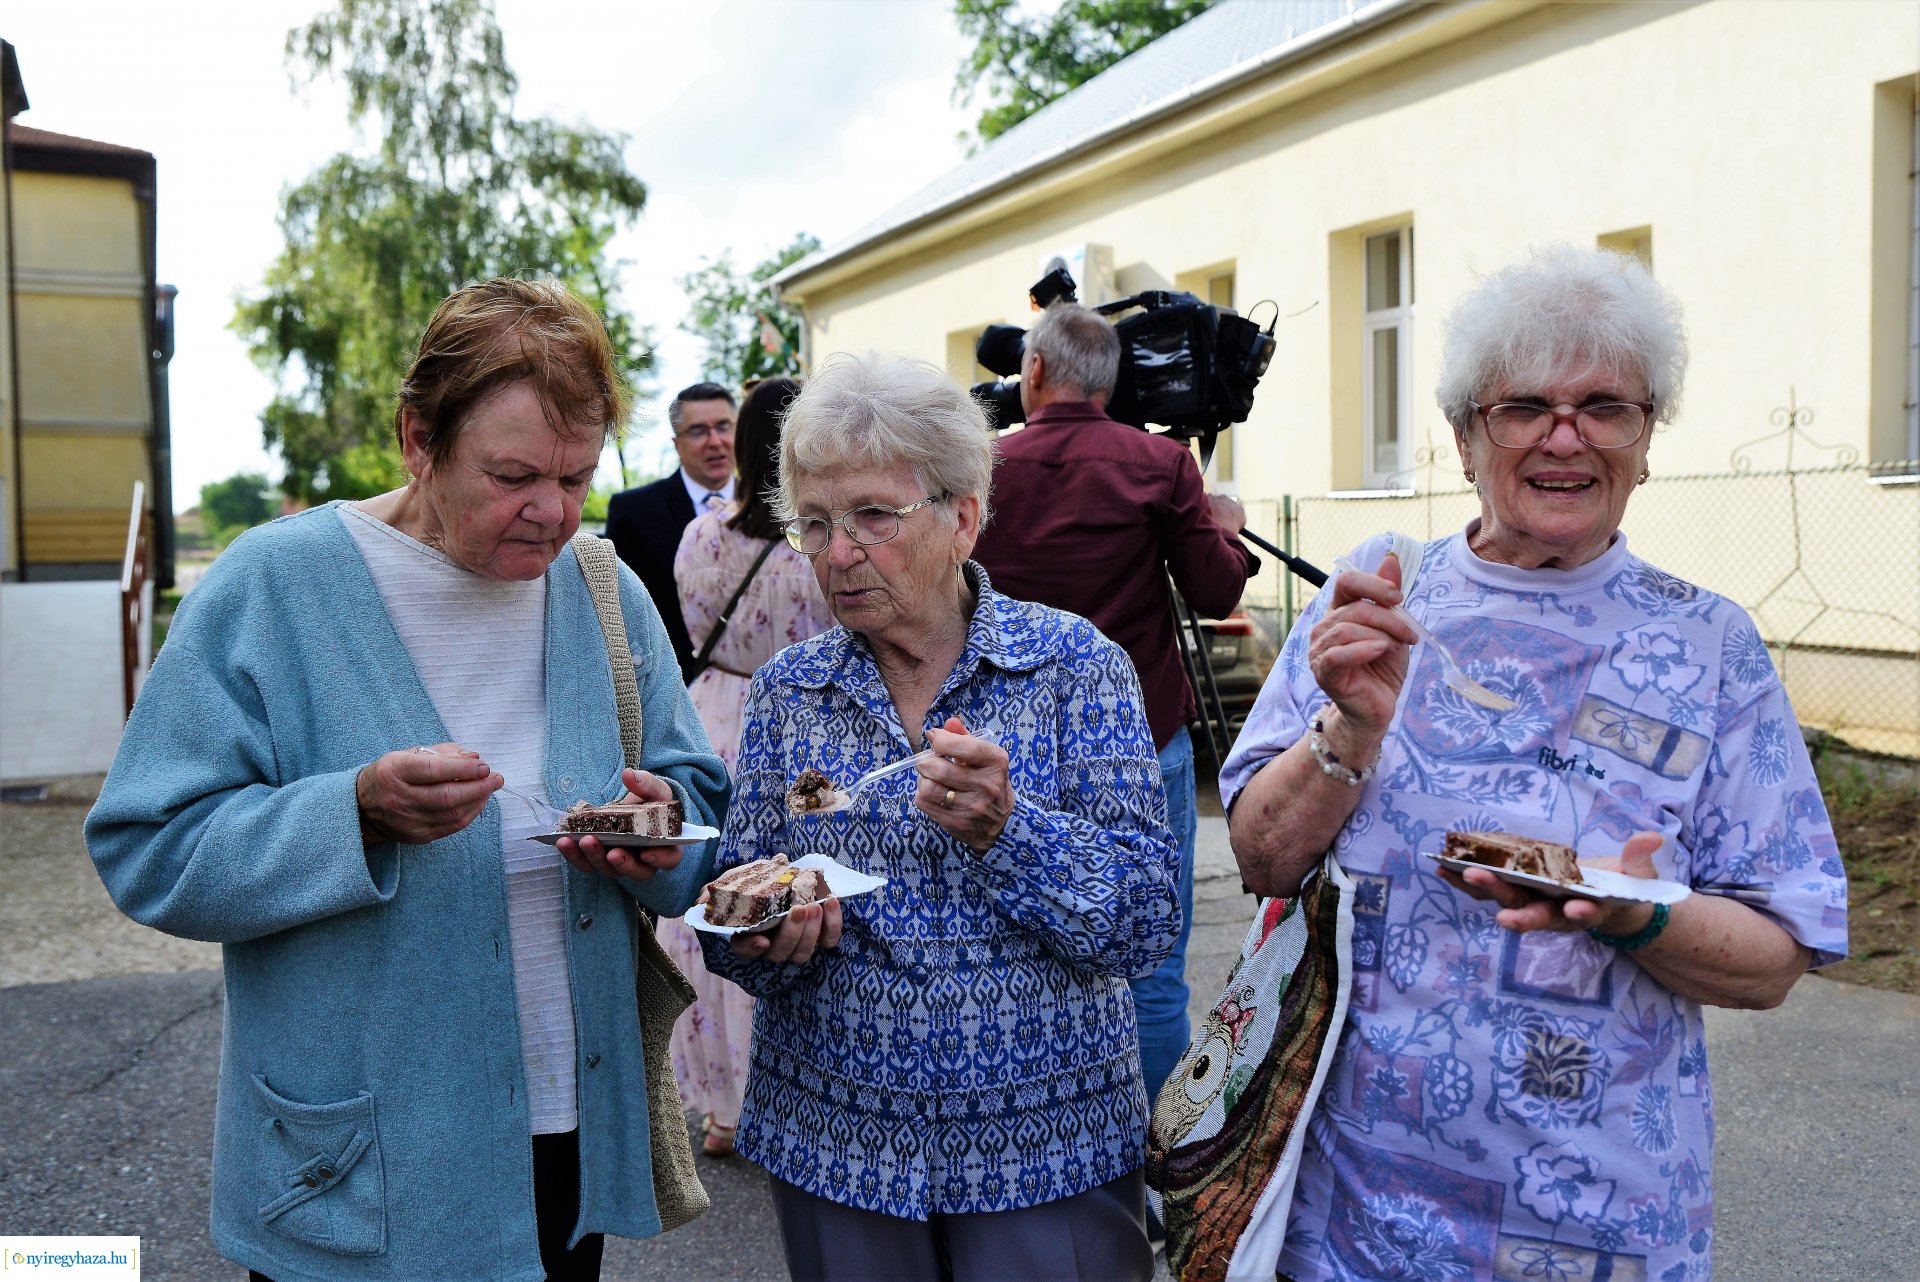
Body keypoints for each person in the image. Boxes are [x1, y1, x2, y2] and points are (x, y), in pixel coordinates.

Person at [1221, 246, 1848, 1282]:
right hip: (1353, 1222)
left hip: (1597, 1224)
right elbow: (1260, 857)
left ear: (1646, 441)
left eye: (1607, 406)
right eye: (1525, 407)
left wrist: (1640, 912)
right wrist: (1351, 733)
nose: (1567, 437)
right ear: (1465, 437)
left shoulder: (1710, 645)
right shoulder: (1379, 593)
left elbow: (1781, 950)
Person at [84, 278, 731, 1282]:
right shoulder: (274, 584)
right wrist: (352, 816)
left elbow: (696, 799)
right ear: (416, 437)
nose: (553, 512)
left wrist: (664, 826)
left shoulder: (602, 586)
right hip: (359, 1159)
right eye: (514, 473)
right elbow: (148, 846)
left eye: (579, 475)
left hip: (564, 1130)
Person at [700, 352, 1180, 1282]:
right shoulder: (789, 693)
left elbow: (1145, 924)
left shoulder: (1073, 668)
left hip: (1044, 1146)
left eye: (873, 516)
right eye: (816, 525)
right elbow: (734, 918)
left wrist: (1011, 830)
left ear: (962, 518)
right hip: (839, 1143)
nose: (839, 554)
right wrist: (761, 935)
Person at [972, 300, 1259, 1109]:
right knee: (1152, 964)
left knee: (1014, 947)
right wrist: (1224, 529)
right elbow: (1213, 590)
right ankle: (1157, 1164)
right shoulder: (1160, 464)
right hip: (1142, 737)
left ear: (1032, 373)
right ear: (1114, 379)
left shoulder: (983, 468)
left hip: (1007, 747)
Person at [662, 375, 834, 1158]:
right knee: (796, 902)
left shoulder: (700, 541)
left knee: (715, 908)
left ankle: (724, 1108)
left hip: (714, 718)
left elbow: (697, 628)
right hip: (805, 734)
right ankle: (789, 1090)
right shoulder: (819, 548)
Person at [606, 381, 738, 680]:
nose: (715, 441)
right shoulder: (635, 513)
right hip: (674, 687)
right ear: (677, 444)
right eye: (698, 431)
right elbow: (624, 619)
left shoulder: (772, 507)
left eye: (723, 427)